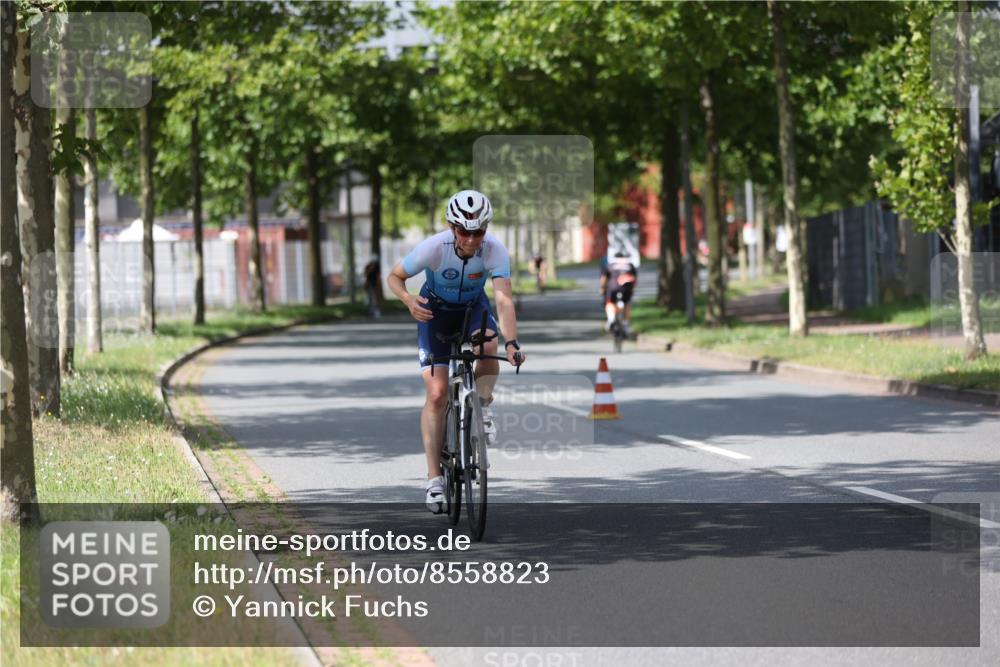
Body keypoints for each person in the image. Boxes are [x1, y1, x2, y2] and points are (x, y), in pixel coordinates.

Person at [387, 190, 526, 514]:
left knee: (489, 349)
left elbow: (503, 298)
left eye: (479, 231)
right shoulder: (434, 248)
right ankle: (434, 479)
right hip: (434, 313)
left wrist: (512, 341)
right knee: (437, 395)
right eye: (465, 231)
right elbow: (395, 276)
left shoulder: (494, 251)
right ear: (452, 227)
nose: (472, 239)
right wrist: (409, 301)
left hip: (472, 309)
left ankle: (481, 405)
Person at [599, 249, 638, 335]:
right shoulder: (630, 265)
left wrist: (602, 288)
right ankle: (625, 324)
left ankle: (611, 319)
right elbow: (635, 279)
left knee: (609, 302)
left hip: (613, 287)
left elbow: (604, 278)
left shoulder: (610, 265)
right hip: (627, 288)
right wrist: (633, 289)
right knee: (627, 303)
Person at [362, 254, 383, 319]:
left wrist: (379, 284)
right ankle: (371, 311)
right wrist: (370, 269)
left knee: (375, 298)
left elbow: (378, 276)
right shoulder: (368, 266)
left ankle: (376, 311)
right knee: (370, 298)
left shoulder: (377, 267)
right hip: (369, 284)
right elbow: (365, 274)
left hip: (375, 284)